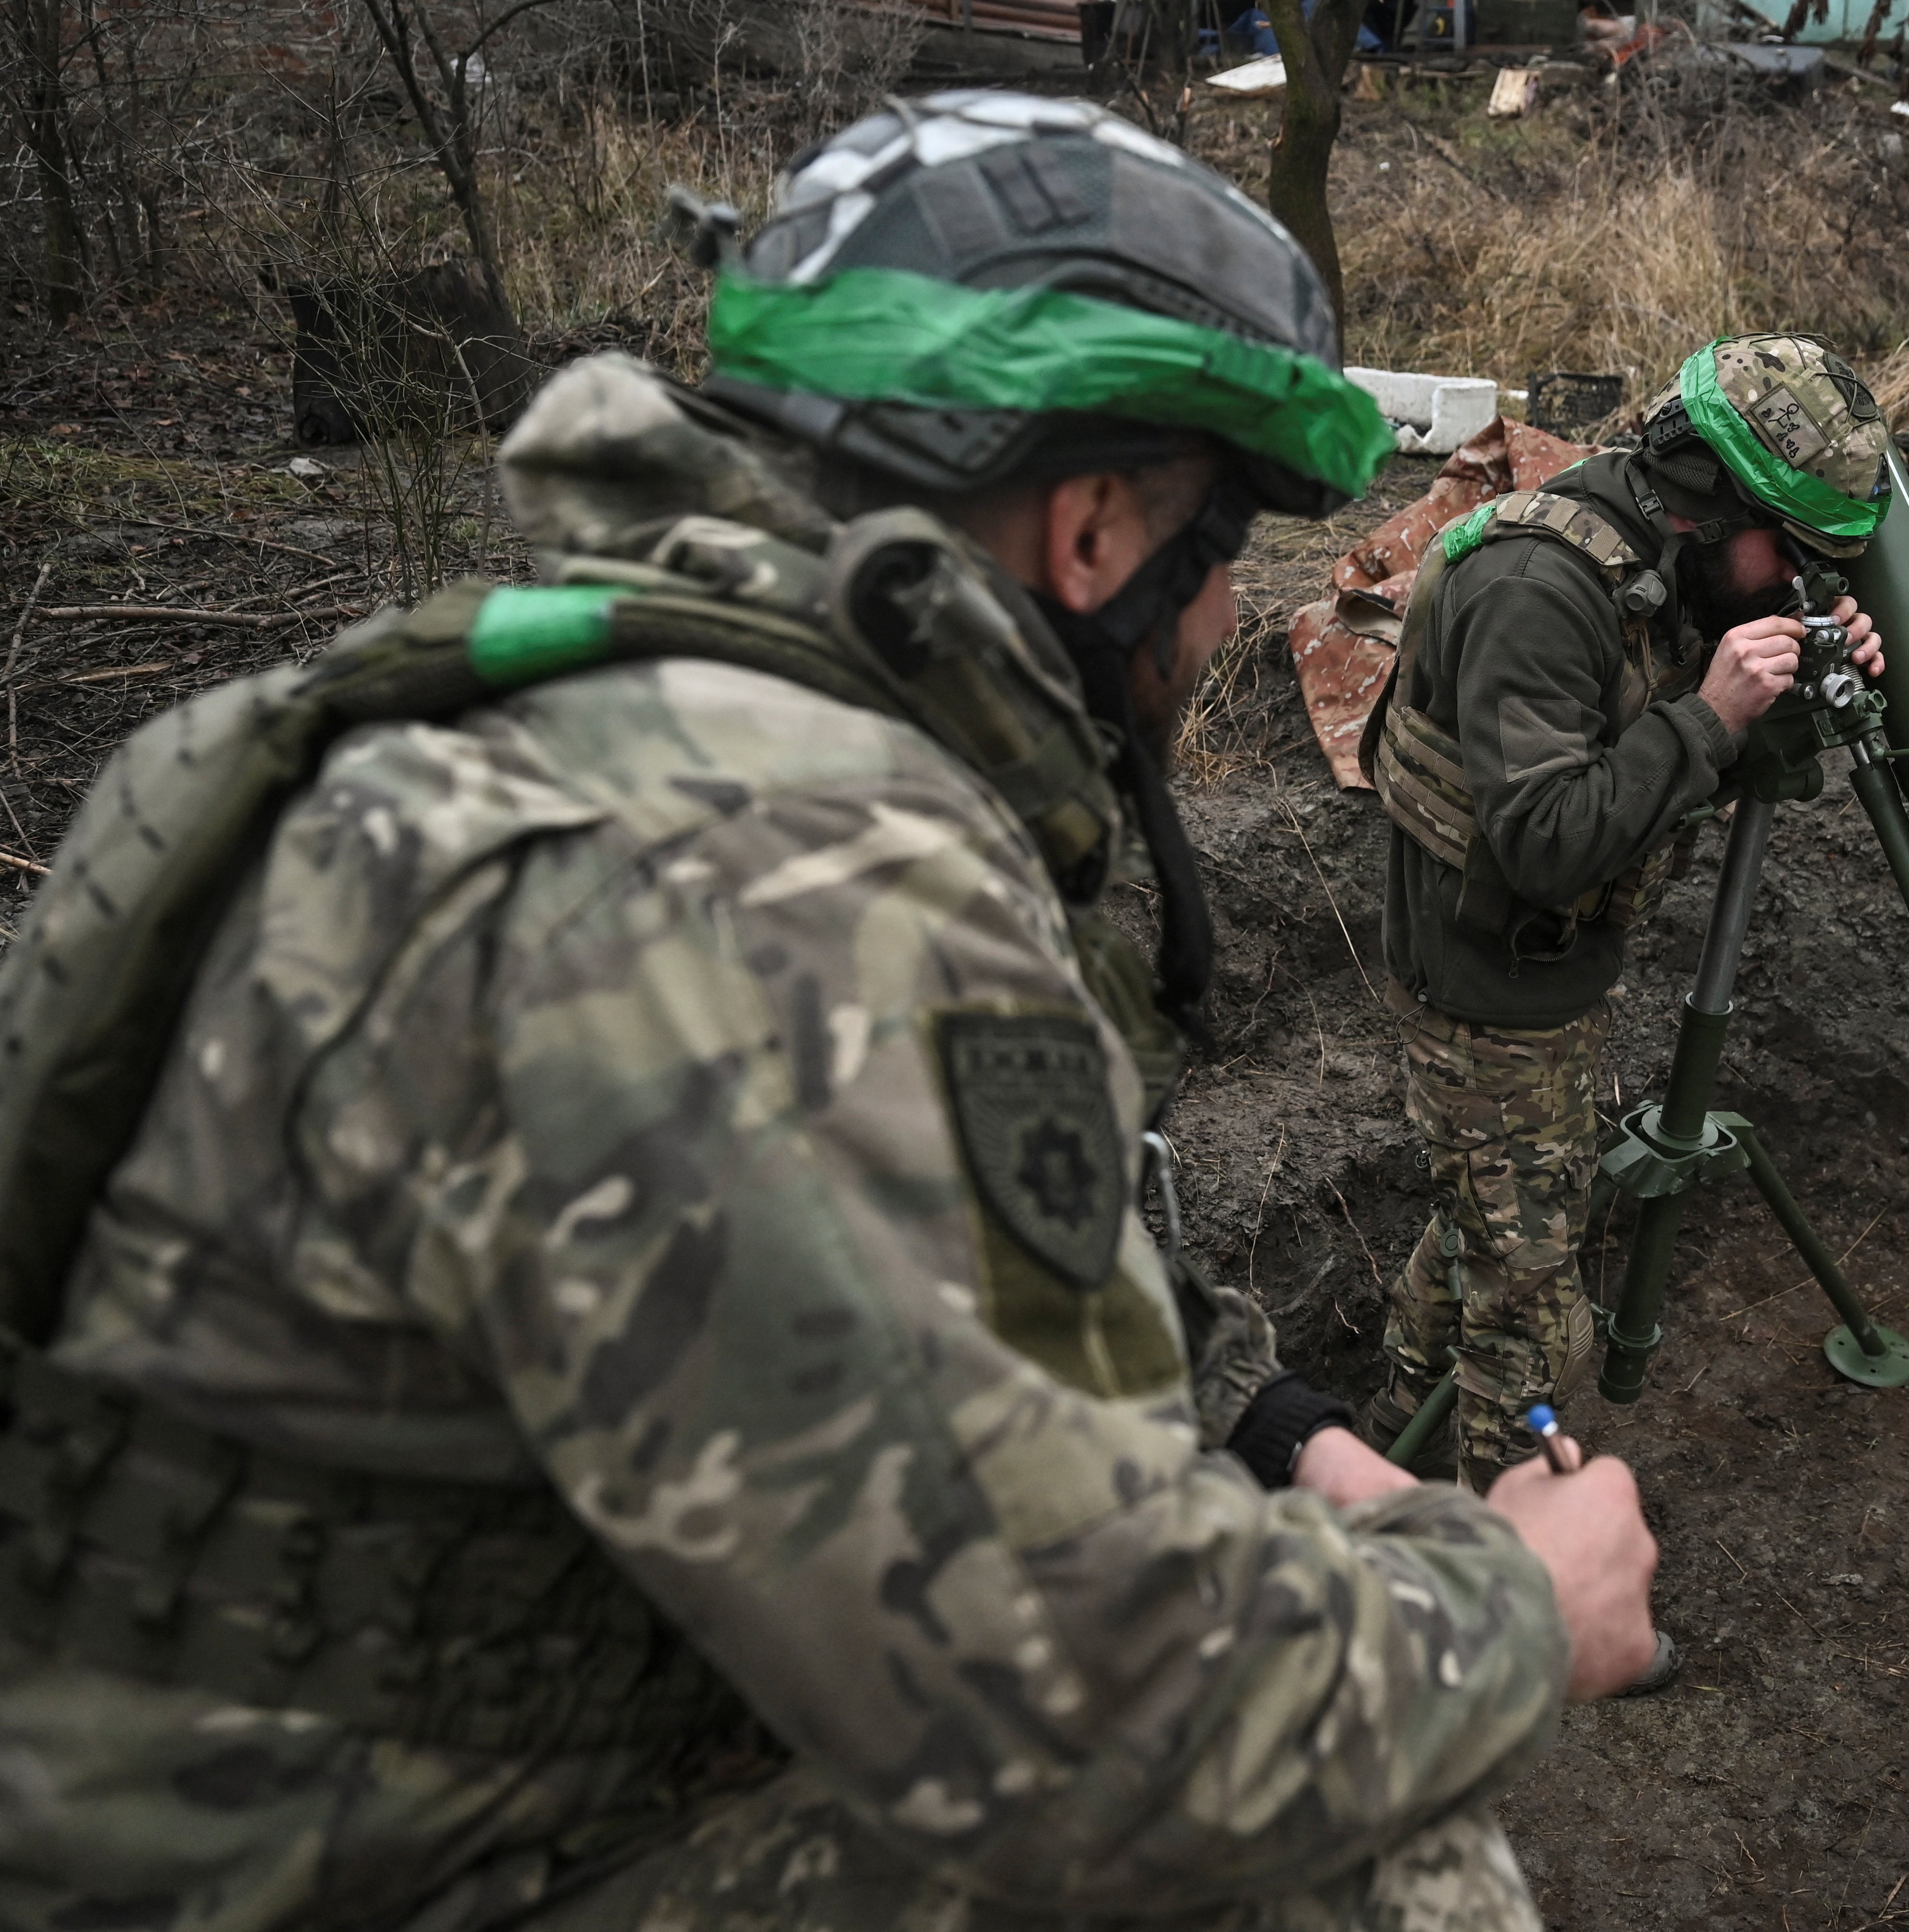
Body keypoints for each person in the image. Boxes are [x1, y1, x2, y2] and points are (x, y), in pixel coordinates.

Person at [0, 92, 1656, 1932]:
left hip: (274, 1748)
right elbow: (1098, 1729)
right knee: (1369, 1855)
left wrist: (1271, 1427)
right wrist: (1518, 1602)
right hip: (338, 1859)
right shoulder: (777, 873)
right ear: (1097, 535)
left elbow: (895, 1238)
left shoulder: (549, 705)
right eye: (1226, 558)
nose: (1217, 643)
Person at [1360, 336, 1896, 1516]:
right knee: (1530, 1305)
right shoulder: (1538, 588)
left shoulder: (1672, 559)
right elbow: (1545, 840)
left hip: (1539, 971)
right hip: (1483, 980)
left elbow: (1713, 756)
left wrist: (1798, 689)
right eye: (1790, 557)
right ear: (1711, 501)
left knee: (1494, 1214)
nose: (1793, 583)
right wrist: (1711, 715)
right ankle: (1503, 1578)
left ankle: (1380, 1430)